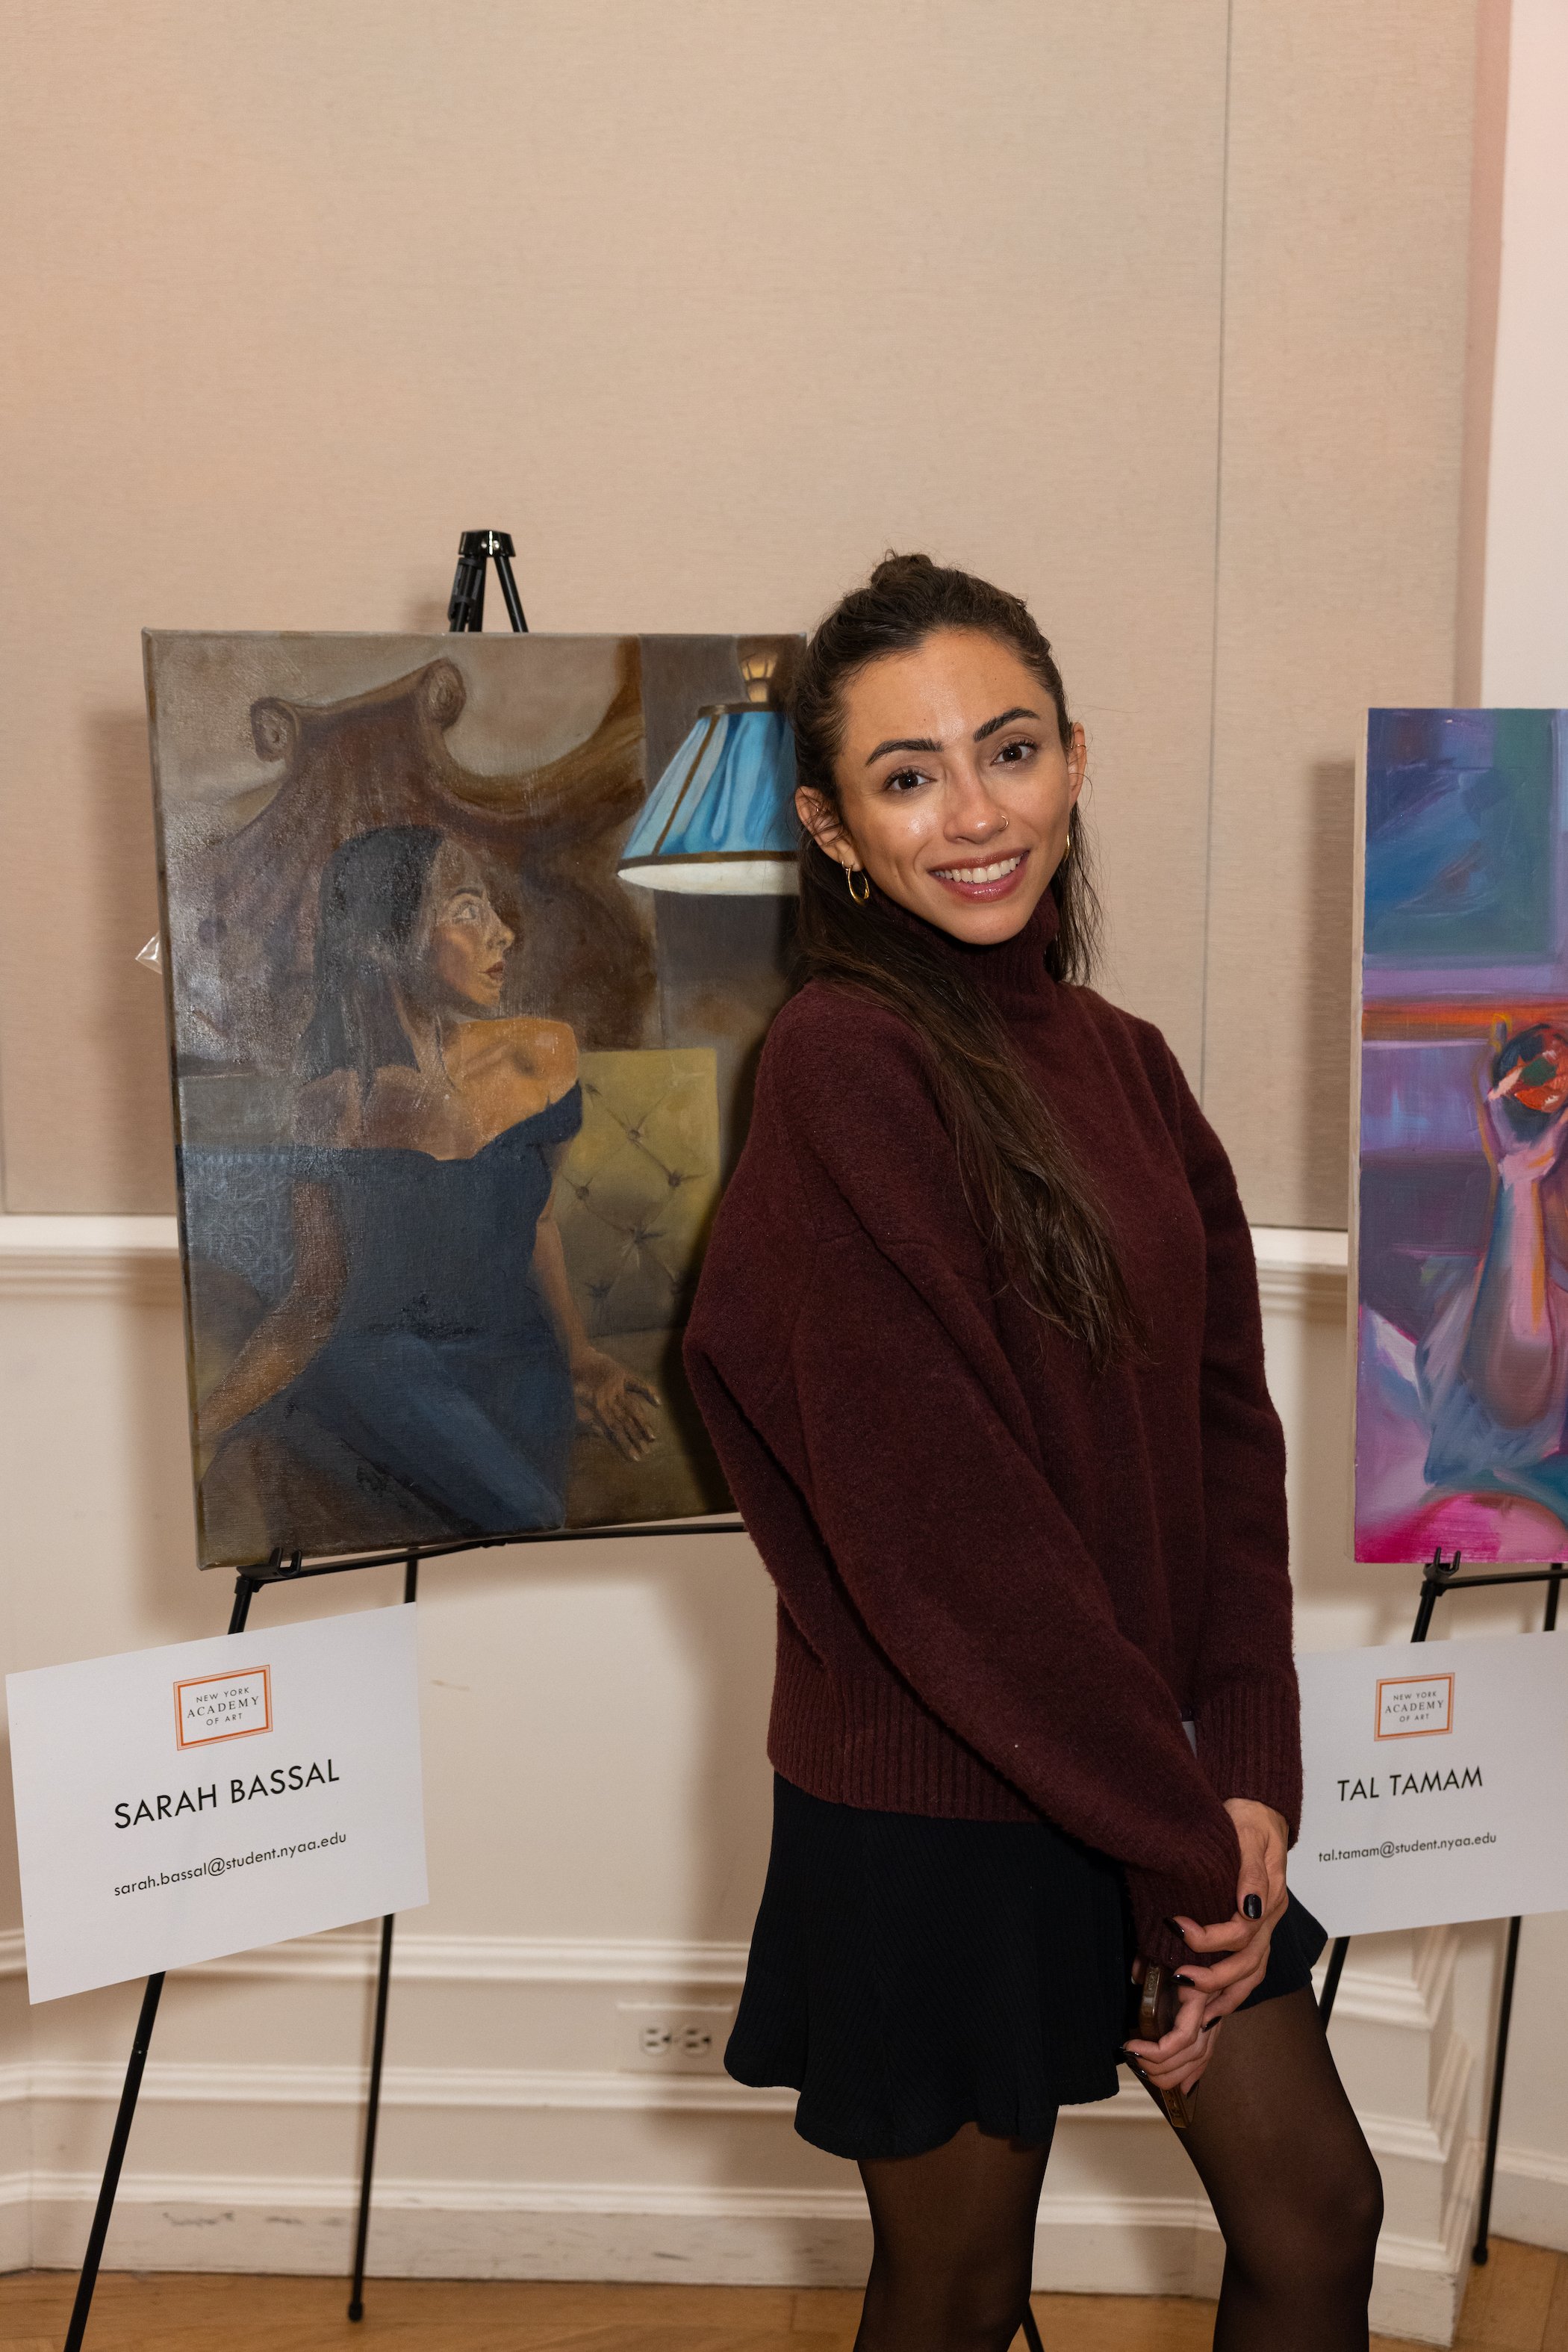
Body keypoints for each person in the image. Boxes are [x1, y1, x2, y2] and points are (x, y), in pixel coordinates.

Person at [682, 558, 1382, 2351]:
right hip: (939, 1809)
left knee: (1317, 2207)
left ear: (1077, 756)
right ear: (835, 830)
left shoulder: (1132, 1067)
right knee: (956, 2290)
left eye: (1007, 749)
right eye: (908, 775)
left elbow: (1229, 1440)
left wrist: (1246, 1777)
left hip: (1149, 1780)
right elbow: (947, 1545)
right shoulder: (844, 1066)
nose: (974, 812)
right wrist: (1182, 1842)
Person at [198, 823, 659, 1541]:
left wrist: (581, 1351)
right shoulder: (329, 1106)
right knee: (529, 1515)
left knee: (524, 1510)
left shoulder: (543, 1055)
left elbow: (537, 1221)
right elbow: (316, 1298)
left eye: (491, 910)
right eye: (467, 910)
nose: (503, 933)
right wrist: (204, 1422)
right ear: (386, 937)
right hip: (380, 1366)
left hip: (516, 1360)